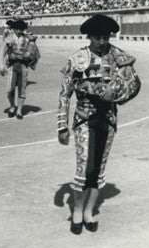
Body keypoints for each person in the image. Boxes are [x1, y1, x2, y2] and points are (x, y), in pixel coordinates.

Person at [57, 13, 141, 235]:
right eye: (98, 38)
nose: (102, 42)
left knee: (99, 169)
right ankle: (76, 210)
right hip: (84, 117)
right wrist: (62, 126)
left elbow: (133, 85)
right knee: (85, 168)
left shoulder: (118, 57)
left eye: (105, 37)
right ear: (89, 37)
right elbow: (65, 94)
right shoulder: (78, 59)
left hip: (108, 118)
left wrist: (115, 93)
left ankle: (89, 211)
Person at [0, 18, 40, 119]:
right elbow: (2, 53)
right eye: (17, 29)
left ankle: (19, 110)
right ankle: (12, 106)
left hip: (23, 66)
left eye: (21, 29)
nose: (19, 31)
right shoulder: (9, 38)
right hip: (11, 65)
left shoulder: (27, 39)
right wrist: (1, 66)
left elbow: (34, 53)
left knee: (22, 89)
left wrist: (30, 57)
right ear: (14, 29)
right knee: (9, 89)